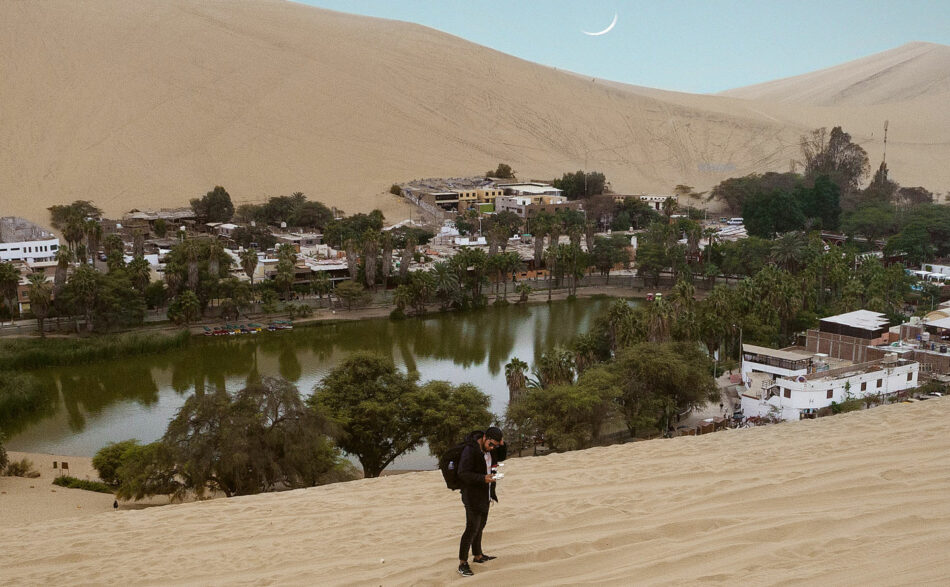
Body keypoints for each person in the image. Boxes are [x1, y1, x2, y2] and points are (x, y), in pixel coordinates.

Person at [456, 426, 505, 577]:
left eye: (495, 446)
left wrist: (502, 445)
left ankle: (478, 555)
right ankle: (462, 563)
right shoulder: (471, 450)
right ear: (484, 437)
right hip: (472, 495)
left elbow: (502, 457)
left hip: (486, 494)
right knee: (471, 528)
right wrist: (482, 478)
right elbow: (463, 473)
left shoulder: (491, 450)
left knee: (480, 526)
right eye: (491, 444)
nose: (492, 448)